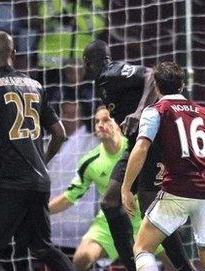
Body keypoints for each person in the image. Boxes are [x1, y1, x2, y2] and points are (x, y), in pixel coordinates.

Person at [0, 31, 74, 270]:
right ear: (14, 53)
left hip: (9, 180)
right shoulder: (35, 85)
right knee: (41, 247)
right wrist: (41, 162)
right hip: (39, 182)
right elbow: (60, 133)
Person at [82, 39, 193, 270]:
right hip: (135, 146)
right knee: (110, 202)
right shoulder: (102, 82)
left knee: (150, 212)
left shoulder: (112, 72)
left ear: (88, 63)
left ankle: (185, 267)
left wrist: (140, 111)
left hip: (154, 144)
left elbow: (151, 75)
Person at [121, 61, 205, 271]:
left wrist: (126, 186)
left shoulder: (156, 110)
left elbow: (141, 147)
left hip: (177, 190)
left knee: (143, 248)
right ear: (182, 85)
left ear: (156, 85)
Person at [49, 107, 167, 270]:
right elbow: (70, 196)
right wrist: (42, 210)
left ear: (119, 124)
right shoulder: (89, 161)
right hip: (109, 222)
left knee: (175, 263)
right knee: (80, 260)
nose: (100, 125)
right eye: (97, 121)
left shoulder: (139, 148)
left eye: (105, 120)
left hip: (146, 218)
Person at [47, 100, 98, 253]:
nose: (67, 118)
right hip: (51, 226)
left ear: (81, 117)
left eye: (72, 114)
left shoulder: (93, 144)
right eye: (64, 114)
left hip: (79, 226)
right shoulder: (46, 142)